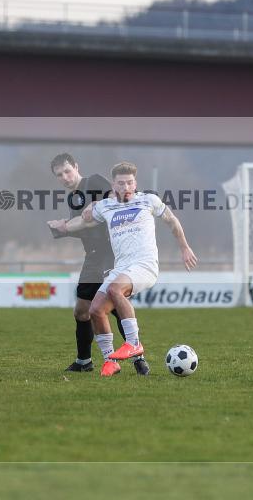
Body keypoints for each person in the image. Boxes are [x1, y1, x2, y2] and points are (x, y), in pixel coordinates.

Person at [54, 161, 198, 377]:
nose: (126, 187)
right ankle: (110, 361)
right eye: (121, 183)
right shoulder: (105, 206)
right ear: (114, 185)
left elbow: (172, 220)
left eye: (130, 182)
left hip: (144, 265)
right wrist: (63, 227)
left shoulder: (148, 200)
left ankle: (134, 344)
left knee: (114, 290)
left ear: (135, 183)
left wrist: (185, 247)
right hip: (121, 268)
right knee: (95, 310)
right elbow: (83, 223)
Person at [46, 153, 151, 376]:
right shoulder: (72, 199)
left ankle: (138, 359)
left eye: (67, 171)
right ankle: (84, 361)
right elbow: (86, 226)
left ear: (76, 167)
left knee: (113, 304)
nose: (65, 177)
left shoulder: (92, 181)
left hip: (109, 252)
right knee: (82, 311)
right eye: (59, 175)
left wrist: (97, 202)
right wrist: (62, 228)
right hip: (92, 257)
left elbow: (117, 196)